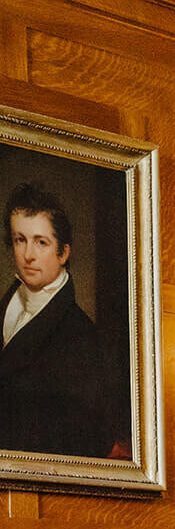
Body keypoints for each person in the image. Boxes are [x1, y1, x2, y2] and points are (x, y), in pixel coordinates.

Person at [0, 181, 128, 460]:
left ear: (64, 253)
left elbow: (89, 439)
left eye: (41, 242)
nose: (28, 255)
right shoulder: (6, 308)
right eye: (20, 239)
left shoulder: (81, 338)